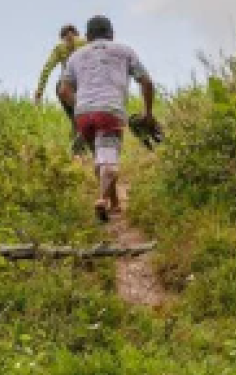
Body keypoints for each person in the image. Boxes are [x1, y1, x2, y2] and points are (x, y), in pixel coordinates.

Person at [57, 15, 155, 222]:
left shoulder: (75, 56)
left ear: (88, 36)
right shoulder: (124, 51)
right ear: (111, 34)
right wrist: (148, 113)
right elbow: (146, 82)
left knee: (100, 157)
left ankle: (115, 204)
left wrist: (81, 105)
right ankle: (101, 199)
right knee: (109, 162)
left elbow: (63, 90)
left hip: (83, 114)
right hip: (110, 111)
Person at [35, 24, 86, 135]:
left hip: (82, 83)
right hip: (72, 85)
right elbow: (47, 68)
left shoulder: (83, 43)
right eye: (66, 37)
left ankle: (78, 123)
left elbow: (47, 68)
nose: (69, 39)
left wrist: (39, 91)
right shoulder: (60, 49)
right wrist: (39, 90)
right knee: (62, 88)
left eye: (71, 36)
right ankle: (77, 123)